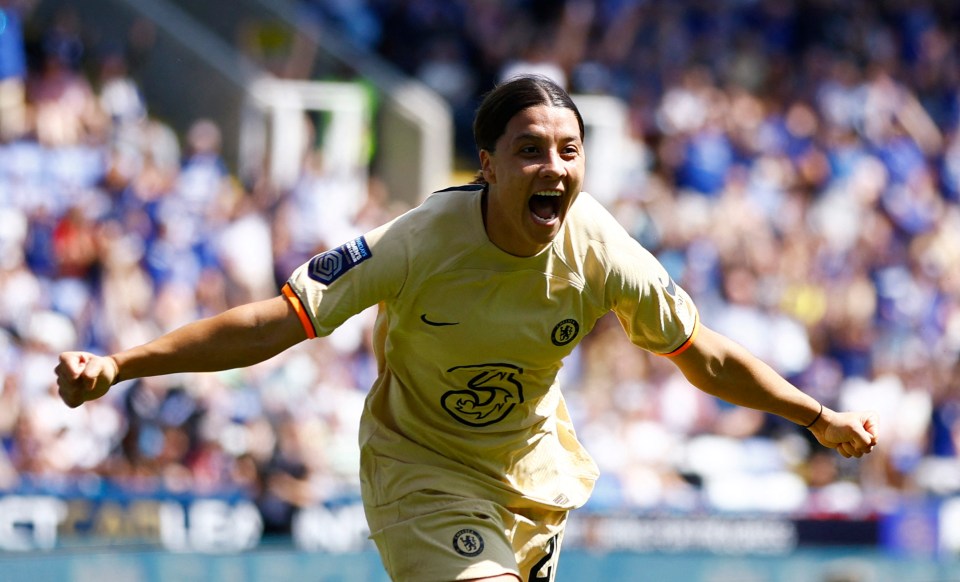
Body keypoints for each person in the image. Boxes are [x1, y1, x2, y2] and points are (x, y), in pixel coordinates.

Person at [56, 75, 879, 582]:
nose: (553, 168)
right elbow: (276, 322)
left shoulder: (602, 248)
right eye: (529, 151)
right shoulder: (415, 243)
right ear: (484, 164)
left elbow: (703, 356)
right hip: (419, 469)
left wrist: (817, 417)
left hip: (532, 479)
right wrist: (123, 365)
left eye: (568, 150)